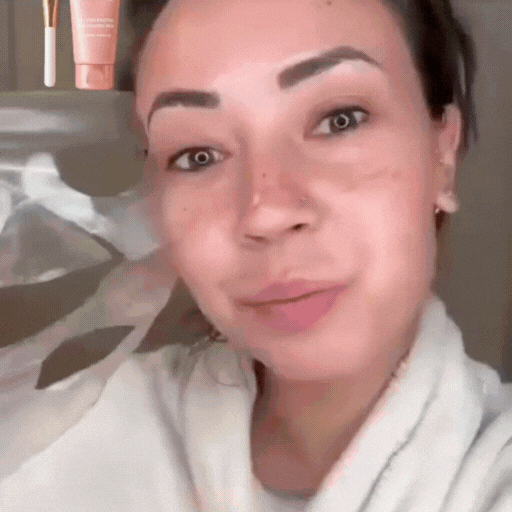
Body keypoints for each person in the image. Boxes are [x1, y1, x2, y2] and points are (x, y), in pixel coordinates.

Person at [2, 0, 512, 510]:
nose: (265, 213)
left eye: (339, 120)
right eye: (197, 156)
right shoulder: (58, 438)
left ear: (442, 153)